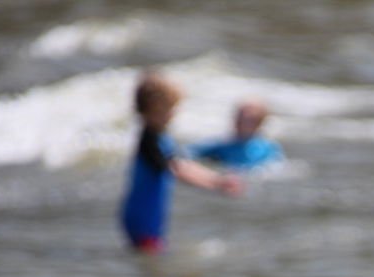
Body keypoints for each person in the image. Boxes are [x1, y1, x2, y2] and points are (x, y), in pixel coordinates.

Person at [120, 72, 243, 253]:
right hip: (142, 217)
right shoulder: (149, 141)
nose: (172, 114)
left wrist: (217, 179)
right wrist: (215, 185)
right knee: (150, 258)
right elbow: (176, 170)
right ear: (150, 111)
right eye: (167, 109)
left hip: (149, 216)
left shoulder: (161, 137)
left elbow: (182, 163)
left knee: (152, 254)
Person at [189, 99, 284, 171]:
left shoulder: (269, 149)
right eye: (238, 117)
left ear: (259, 123)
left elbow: (275, 168)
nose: (239, 123)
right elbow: (190, 153)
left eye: (247, 120)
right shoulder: (221, 145)